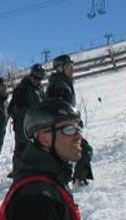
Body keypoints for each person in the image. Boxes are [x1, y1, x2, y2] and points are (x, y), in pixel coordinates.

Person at [47, 54, 94, 185]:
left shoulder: (64, 83)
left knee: (77, 151)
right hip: (60, 127)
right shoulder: (58, 86)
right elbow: (58, 109)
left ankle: (75, 179)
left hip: (65, 126)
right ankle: (78, 180)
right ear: (59, 69)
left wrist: (76, 120)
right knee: (83, 149)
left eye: (72, 66)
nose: (72, 69)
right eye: (68, 66)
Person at [7, 64, 46, 177]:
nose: (37, 81)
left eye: (39, 79)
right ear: (31, 76)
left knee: (36, 146)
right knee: (21, 147)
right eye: (35, 78)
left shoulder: (39, 88)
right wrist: (33, 112)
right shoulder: (21, 89)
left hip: (36, 122)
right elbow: (19, 108)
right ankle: (17, 171)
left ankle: (33, 169)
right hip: (22, 123)